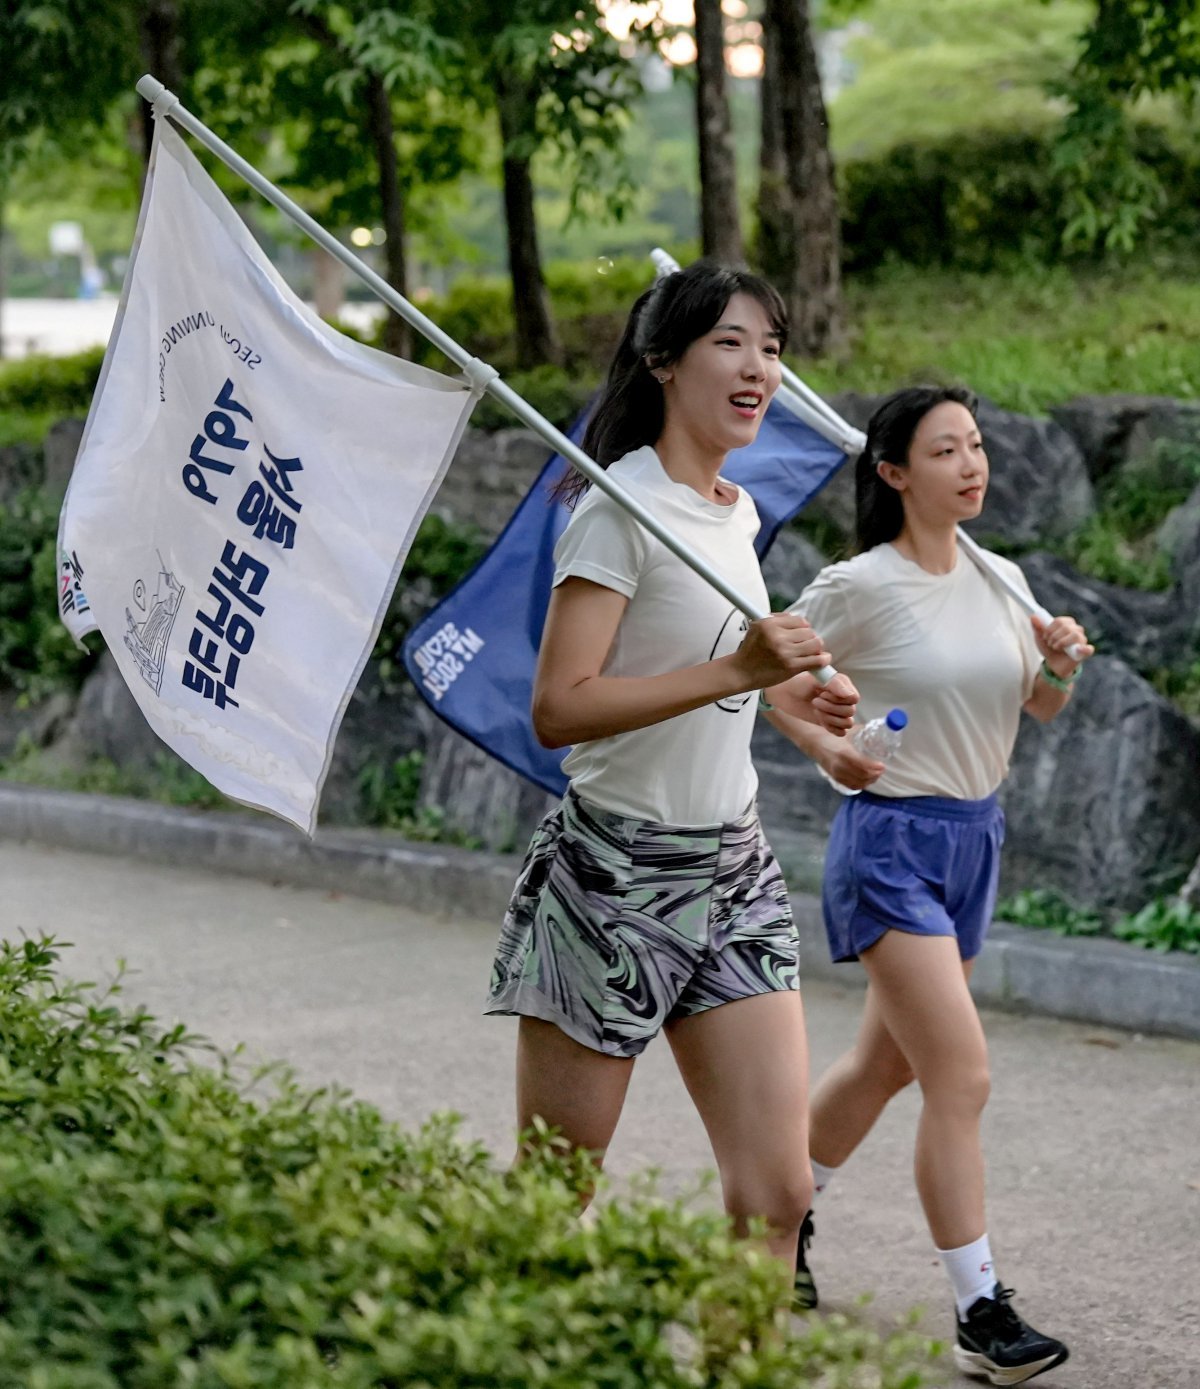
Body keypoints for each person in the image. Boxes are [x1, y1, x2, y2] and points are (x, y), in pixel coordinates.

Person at [485, 260, 859, 1272]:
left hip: (733, 871)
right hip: (615, 879)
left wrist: (803, 714)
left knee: (778, 1195)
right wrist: (737, 665)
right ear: (663, 363)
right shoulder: (618, 510)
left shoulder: (732, 509)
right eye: (730, 343)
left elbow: (722, 672)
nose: (758, 368)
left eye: (772, 349)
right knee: (554, 1197)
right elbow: (561, 706)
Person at [764, 385, 1091, 1384]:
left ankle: (778, 1223)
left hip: (972, 842)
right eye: (945, 450)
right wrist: (828, 743)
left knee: (887, 1068)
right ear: (895, 472)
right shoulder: (859, 585)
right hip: (893, 843)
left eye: (977, 446)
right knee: (961, 1074)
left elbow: (1036, 708)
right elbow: (766, 674)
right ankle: (980, 1311)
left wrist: (1064, 665)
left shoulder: (1002, 576)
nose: (972, 464)